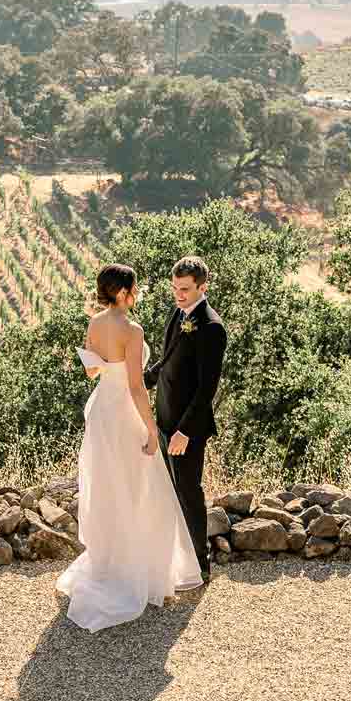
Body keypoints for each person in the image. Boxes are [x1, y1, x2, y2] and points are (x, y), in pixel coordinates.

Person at [55, 264, 204, 631]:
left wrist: (105, 363)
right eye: (134, 287)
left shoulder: (94, 323)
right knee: (140, 489)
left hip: (101, 410)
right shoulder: (132, 330)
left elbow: (92, 370)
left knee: (108, 487)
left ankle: (109, 564)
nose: (137, 292)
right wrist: (152, 428)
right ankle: (140, 572)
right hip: (123, 412)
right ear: (123, 292)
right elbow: (138, 388)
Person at [143, 256, 226, 584]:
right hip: (163, 420)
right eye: (175, 288)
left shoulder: (211, 327)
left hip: (185, 430)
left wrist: (185, 432)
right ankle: (171, 557)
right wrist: (141, 381)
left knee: (189, 492)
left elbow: (207, 388)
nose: (178, 295)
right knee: (166, 490)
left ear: (202, 288)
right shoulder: (178, 312)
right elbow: (167, 360)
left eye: (185, 289)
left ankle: (200, 563)